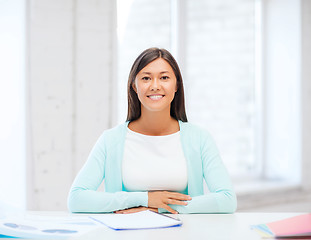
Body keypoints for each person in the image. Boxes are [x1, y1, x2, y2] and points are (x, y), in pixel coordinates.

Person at [67, 47, 237, 214]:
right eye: (146, 78)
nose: (155, 86)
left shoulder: (199, 139)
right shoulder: (111, 140)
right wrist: (144, 199)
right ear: (134, 86)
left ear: (176, 85)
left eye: (164, 77)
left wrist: (158, 208)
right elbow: (76, 199)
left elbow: (227, 200)